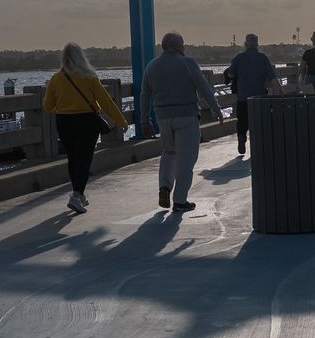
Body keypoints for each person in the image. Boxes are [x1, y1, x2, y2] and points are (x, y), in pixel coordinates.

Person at [141, 31, 225, 213]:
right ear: (176, 46)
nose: (184, 47)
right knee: (186, 159)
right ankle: (180, 200)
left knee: (169, 153)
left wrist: (144, 121)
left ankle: (164, 186)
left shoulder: (152, 66)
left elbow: (144, 95)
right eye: (183, 44)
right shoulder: (187, 63)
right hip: (186, 116)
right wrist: (217, 110)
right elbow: (203, 87)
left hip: (163, 118)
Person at [42, 42, 129, 214]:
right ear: (81, 57)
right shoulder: (89, 77)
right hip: (87, 121)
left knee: (73, 159)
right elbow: (105, 102)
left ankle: (79, 195)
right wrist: (121, 120)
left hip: (64, 121)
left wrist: (64, 106)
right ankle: (76, 196)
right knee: (84, 159)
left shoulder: (56, 78)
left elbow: (47, 106)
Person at [228, 33, 281, 156]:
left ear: (245, 44)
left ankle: (241, 136)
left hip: (242, 96)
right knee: (258, 122)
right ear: (257, 45)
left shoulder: (238, 58)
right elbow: (273, 78)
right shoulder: (262, 58)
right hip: (259, 97)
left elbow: (230, 74)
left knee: (242, 120)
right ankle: (257, 145)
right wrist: (281, 92)